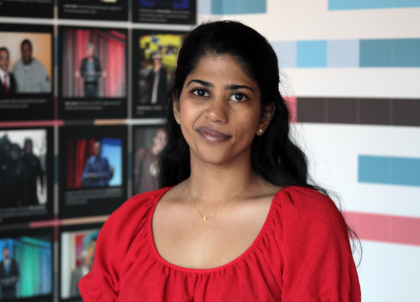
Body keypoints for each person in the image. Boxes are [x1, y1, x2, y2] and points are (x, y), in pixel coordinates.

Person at [79, 21, 361, 301]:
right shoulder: (127, 226)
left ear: (264, 116)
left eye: (238, 96)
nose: (216, 113)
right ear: (177, 105)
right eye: (200, 92)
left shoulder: (306, 222)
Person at [133, 129, 166, 194]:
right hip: (142, 195)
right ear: (154, 139)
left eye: (164, 139)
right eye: (159, 138)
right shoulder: (142, 153)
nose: (161, 141)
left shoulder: (166, 158)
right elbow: (134, 177)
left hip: (158, 197)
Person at [0, 144, 27, 208]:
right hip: (4, 199)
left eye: (16, 151)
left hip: (17, 200)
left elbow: (24, 186)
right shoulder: (5, 165)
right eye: (13, 151)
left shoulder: (21, 167)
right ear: (10, 152)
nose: (15, 153)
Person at [22, 138, 44, 206]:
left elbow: (40, 173)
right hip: (22, 189)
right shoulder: (21, 159)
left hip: (33, 188)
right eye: (27, 145)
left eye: (30, 145)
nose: (28, 147)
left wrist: (42, 186)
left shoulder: (35, 159)